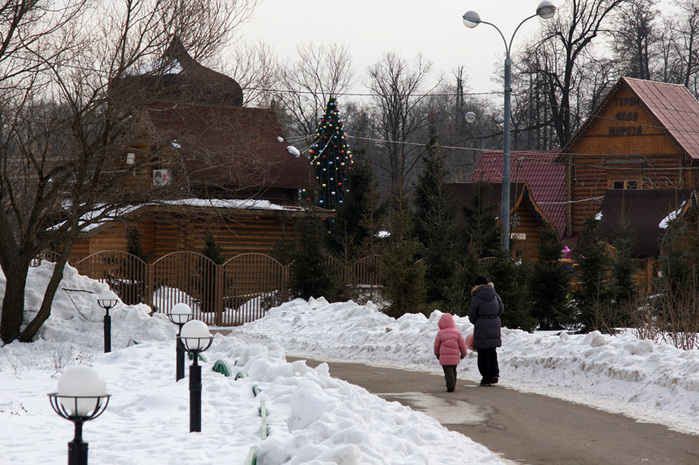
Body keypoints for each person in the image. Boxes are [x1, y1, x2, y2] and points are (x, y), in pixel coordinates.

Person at [468, 275, 504, 386]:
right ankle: (494, 375)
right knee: (492, 352)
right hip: (495, 325)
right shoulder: (494, 295)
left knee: (482, 353)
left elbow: (472, 315)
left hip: (482, 326)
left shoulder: (476, 297)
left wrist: (478, 322)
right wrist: (493, 318)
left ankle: (486, 378)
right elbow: (501, 308)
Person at [433, 312, 468, 392]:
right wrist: (463, 353)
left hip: (444, 357)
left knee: (448, 372)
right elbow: (462, 345)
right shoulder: (457, 333)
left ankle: (450, 386)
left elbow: (436, 345)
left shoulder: (440, 333)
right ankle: (453, 383)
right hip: (454, 357)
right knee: (453, 370)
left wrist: (437, 353)